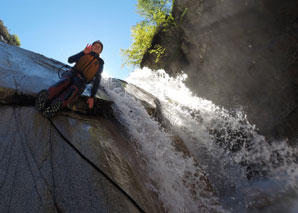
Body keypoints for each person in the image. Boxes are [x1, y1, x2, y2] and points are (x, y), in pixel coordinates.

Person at [35, 40, 104, 118]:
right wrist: (83, 52)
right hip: (72, 73)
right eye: (95, 45)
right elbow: (70, 60)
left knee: (73, 89)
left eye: (99, 47)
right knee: (65, 81)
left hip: (82, 81)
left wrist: (92, 97)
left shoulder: (100, 63)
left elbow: (98, 79)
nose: (97, 47)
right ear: (91, 47)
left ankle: (58, 104)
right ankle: (46, 96)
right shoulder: (85, 53)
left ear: (100, 51)